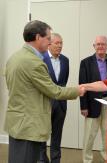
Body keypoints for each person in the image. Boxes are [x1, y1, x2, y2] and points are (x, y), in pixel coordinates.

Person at [4, 20, 85, 163]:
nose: (50, 42)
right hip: (29, 126)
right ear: (37, 37)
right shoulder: (34, 62)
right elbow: (55, 91)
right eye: (48, 38)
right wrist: (78, 90)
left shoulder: (14, 57)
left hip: (17, 123)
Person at [79, 36, 107, 162]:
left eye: (103, 44)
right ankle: (87, 159)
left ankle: (106, 156)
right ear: (94, 46)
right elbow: (82, 85)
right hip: (92, 103)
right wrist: (83, 106)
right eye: (98, 44)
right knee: (89, 135)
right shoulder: (85, 62)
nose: (100, 46)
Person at [39, 33, 69, 163]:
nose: (60, 46)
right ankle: (42, 160)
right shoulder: (40, 59)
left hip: (61, 104)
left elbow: (63, 83)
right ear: (49, 44)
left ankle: (56, 160)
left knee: (57, 135)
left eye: (61, 43)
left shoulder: (65, 60)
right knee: (42, 135)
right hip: (45, 103)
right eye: (57, 43)